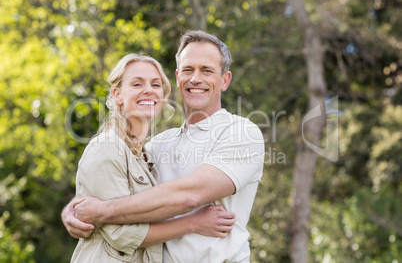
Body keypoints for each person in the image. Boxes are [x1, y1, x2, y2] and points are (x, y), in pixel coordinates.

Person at [62, 30, 265, 262]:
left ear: (225, 80)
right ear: (178, 78)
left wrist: (102, 212)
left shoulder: (241, 133)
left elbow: (190, 196)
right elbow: (117, 188)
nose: (195, 78)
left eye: (206, 70)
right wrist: (75, 211)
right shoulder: (157, 145)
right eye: (188, 70)